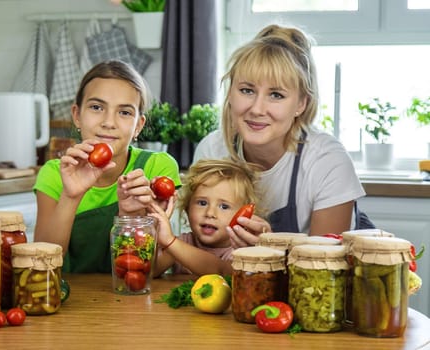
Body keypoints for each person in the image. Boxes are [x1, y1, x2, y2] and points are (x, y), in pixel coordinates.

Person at [193, 24, 367, 246]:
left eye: (276, 95)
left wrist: (269, 249)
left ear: (301, 104)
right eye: (247, 90)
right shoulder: (211, 150)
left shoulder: (327, 161)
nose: (257, 109)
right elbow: (201, 249)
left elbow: (326, 266)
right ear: (230, 93)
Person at [33, 60, 181, 273]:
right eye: (96, 107)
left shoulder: (157, 167)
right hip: (68, 298)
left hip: (133, 298)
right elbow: (41, 261)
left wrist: (132, 217)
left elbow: (152, 269)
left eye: (125, 112)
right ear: (77, 115)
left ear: (138, 126)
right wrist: (71, 196)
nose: (108, 122)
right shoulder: (54, 173)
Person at [150, 158, 261, 277]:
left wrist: (170, 242)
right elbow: (152, 271)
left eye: (224, 206)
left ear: (243, 216)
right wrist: (154, 223)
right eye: (202, 203)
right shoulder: (182, 242)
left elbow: (221, 271)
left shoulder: (239, 251)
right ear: (187, 209)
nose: (210, 213)